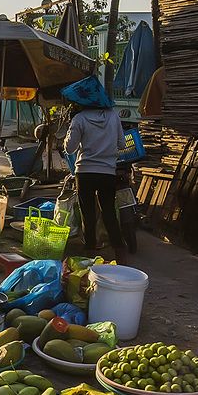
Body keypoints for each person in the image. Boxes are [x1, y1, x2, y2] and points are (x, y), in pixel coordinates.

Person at [62, 75, 128, 263]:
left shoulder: (79, 119)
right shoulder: (113, 116)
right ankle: (119, 250)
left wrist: (70, 133)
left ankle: (90, 251)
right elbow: (122, 144)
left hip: (85, 173)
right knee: (108, 211)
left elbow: (70, 148)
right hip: (107, 172)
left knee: (88, 212)